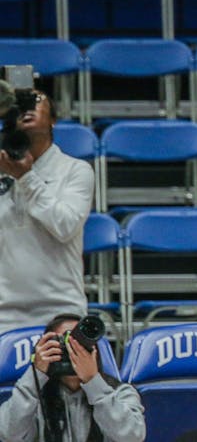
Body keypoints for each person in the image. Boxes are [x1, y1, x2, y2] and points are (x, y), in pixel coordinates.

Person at [0, 88, 95, 335]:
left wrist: (26, 178)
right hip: (4, 314)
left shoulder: (75, 170)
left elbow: (64, 226)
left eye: (36, 100)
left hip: (61, 311)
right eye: (19, 104)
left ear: (53, 119)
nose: (27, 107)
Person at [0, 313, 146, 442]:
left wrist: (93, 382)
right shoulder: (35, 397)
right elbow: (9, 434)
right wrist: (35, 374)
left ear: (94, 350)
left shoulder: (119, 392)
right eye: (64, 343)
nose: (71, 351)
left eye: (79, 344)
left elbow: (133, 437)